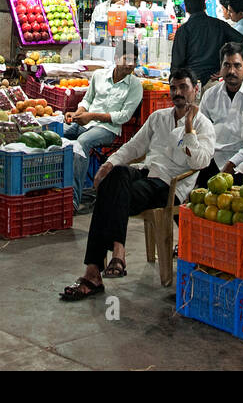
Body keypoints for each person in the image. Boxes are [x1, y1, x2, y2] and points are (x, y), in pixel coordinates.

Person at [60, 69, 216, 300]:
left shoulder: (204, 126)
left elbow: (200, 161)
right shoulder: (159, 117)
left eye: (183, 87)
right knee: (117, 174)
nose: (178, 93)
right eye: (174, 88)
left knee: (108, 195)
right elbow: (135, 146)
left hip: (169, 186)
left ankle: (94, 271)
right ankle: (117, 253)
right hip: (145, 173)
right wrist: (109, 164)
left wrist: (189, 127)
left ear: (196, 89)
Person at [63, 55, 144, 211]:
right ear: (115, 58)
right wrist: (77, 113)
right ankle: (52, 193)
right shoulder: (99, 75)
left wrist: (91, 116)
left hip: (108, 129)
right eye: (126, 59)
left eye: (133, 61)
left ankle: (72, 201)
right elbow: (87, 100)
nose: (129, 64)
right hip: (86, 122)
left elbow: (124, 116)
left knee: (82, 143)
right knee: (58, 132)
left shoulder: (135, 85)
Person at [195, 42, 243, 189]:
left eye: (237, 65)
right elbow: (201, 130)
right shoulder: (210, 95)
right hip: (212, 159)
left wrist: (232, 163)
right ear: (220, 67)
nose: (231, 70)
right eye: (226, 65)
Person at [171, 0, 243, 84]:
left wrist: (174, 82)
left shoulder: (183, 30)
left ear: (186, 9)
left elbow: (177, 62)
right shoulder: (219, 25)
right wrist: (227, 66)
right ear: (205, 6)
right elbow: (241, 41)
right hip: (214, 80)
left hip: (192, 82)